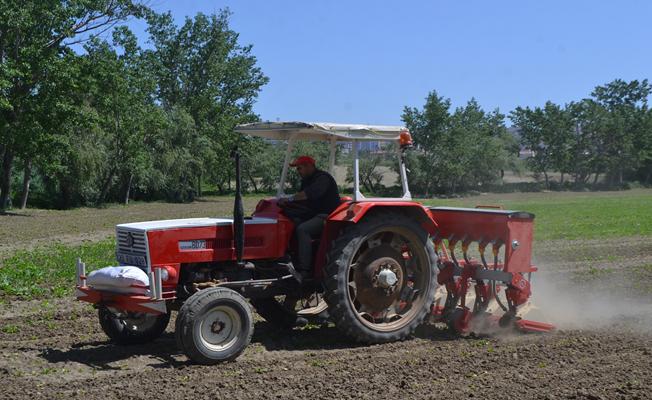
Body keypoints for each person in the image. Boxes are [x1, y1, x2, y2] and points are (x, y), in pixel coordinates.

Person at [278, 156, 340, 280]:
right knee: (291, 222)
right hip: (312, 213)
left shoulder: (322, 179)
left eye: (299, 168)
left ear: (308, 166)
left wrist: (288, 199)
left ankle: (304, 270)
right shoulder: (307, 180)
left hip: (327, 216)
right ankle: (288, 259)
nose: (298, 171)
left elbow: (306, 195)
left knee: (303, 229)